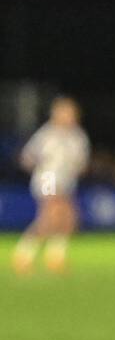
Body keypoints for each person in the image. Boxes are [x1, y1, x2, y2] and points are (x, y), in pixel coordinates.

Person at [12, 96, 90, 275]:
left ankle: (55, 256)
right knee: (50, 215)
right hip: (47, 178)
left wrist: (77, 168)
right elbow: (27, 157)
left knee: (69, 219)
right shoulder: (46, 134)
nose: (69, 116)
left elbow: (82, 163)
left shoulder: (78, 137)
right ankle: (24, 254)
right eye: (65, 112)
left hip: (66, 180)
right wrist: (39, 165)